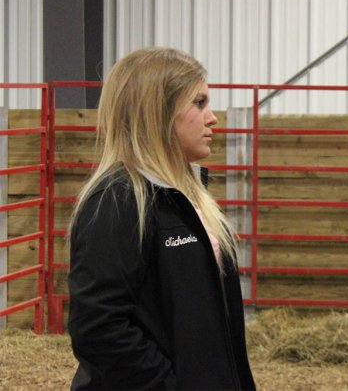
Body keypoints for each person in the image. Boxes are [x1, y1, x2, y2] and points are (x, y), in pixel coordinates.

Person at [68, 47, 256, 390]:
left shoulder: (188, 196)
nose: (212, 117)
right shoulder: (118, 200)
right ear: (158, 112)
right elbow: (98, 328)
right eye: (199, 103)